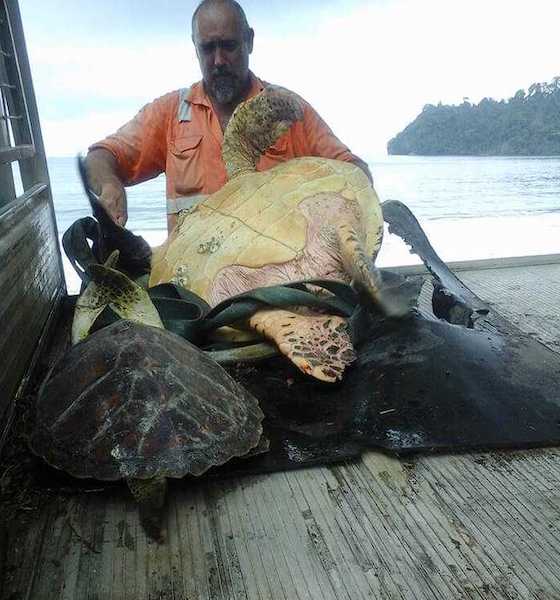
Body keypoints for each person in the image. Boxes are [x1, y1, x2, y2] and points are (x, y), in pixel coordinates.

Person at [86, 0, 372, 233]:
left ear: (249, 41)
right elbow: (101, 156)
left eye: (229, 45)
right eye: (208, 48)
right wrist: (109, 184)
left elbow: (353, 169)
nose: (219, 60)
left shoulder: (288, 109)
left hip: (275, 275)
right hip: (193, 282)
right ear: (194, 47)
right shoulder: (171, 113)